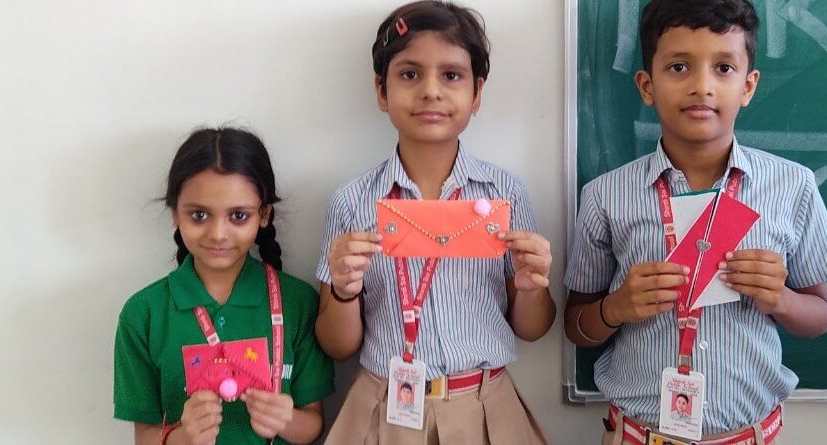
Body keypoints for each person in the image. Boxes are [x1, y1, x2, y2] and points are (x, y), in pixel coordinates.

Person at [563, 1, 827, 444]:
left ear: (748, 86)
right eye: (679, 67)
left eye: (724, 68)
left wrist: (781, 299)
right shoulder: (606, 196)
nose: (701, 86)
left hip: (750, 435)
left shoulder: (793, 187)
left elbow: (820, 317)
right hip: (638, 435)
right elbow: (576, 326)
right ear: (647, 85)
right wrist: (615, 308)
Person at [315, 1, 554, 443]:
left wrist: (531, 288)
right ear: (381, 90)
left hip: (485, 406)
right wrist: (344, 291)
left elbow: (533, 329)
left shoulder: (505, 193)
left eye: (451, 75)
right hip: (385, 408)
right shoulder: (352, 202)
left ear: (476, 94)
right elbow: (337, 346)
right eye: (409, 74)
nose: (431, 91)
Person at [113, 127, 334, 444]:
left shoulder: (297, 302)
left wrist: (285, 421)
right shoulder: (143, 314)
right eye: (199, 215)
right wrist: (184, 436)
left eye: (238, 216)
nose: (218, 234)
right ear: (175, 213)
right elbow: (144, 438)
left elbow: (313, 425)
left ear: (264, 214)